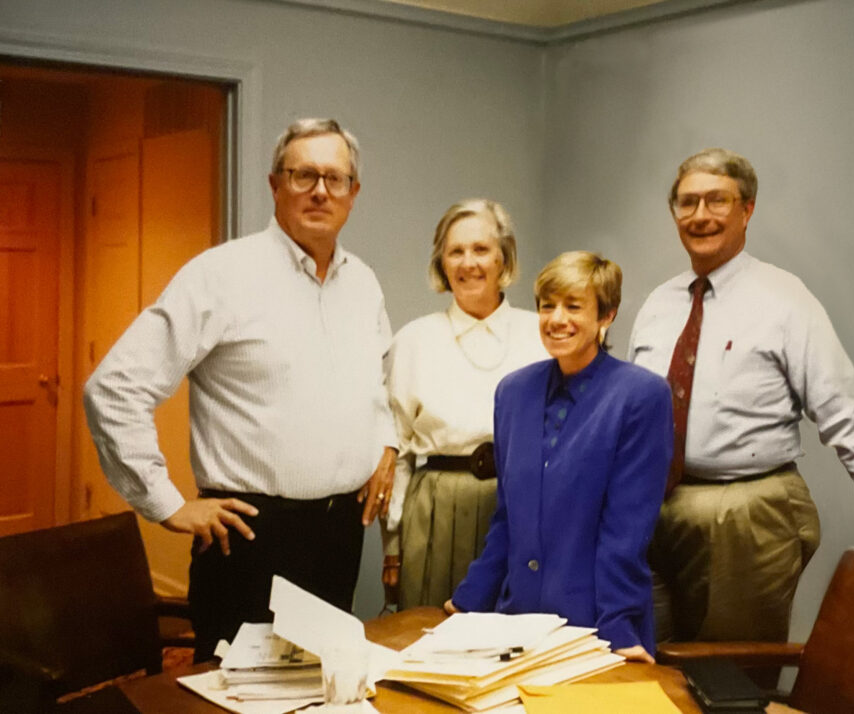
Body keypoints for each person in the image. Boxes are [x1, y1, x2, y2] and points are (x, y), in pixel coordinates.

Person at [83, 118, 398, 661]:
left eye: (335, 178)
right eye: (303, 175)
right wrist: (166, 504)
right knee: (231, 693)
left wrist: (385, 444)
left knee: (326, 684)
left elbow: (378, 381)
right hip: (249, 539)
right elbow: (113, 390)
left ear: (354, 193)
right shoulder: (220, 275)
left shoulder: (363, 283)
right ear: (275, 185)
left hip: (341, 536)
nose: (320, 191)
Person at [629, 147, 854, 645]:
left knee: (731, 673)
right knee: (652, 664)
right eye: (688, 202)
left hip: (747, 513)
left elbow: (842, 407)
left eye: (717, 200)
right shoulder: (659, 304)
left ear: (747, 209)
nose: (700, 215)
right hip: (654, 511)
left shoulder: (784, 299)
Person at [447, 251, 673, 662]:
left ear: (606, 315)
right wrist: (471, 598)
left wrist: (618, 626)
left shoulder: (641, 396)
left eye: (573, 306)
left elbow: (626, 531)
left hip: (596, 628)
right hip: (516, 622)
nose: (556, 319)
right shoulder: (513, 393)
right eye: (547, 305)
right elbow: (507, 518)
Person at [382, 198, 547, 609]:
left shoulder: (540, 334)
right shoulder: (414, 341)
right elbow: (397, 452)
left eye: (481, 249)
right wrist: (392, 546)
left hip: (522, 508)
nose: (468, 263)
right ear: (441, 263)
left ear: (503, 258)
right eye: (455, 251)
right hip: (436, 511)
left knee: (518, 634)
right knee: (430, 627)